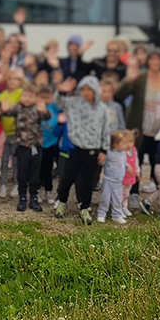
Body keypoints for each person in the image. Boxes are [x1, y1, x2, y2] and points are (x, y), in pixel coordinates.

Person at [117, 50, 160, 210]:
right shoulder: (140, 79)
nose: (155, 62)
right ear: (147, 61)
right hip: (140, 131)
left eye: (158, 59)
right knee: (134, 162)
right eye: (152, 58)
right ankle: (133, 193)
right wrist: (128, 80)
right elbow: (119, 96)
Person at [53, 76, 110, 225]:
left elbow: (105, 129)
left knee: (87, 181)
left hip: (92, 150)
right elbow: (59, 102)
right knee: (67, 178)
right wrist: (60, 90)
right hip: (75, 148)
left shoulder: (102, 108)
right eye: (83, 89)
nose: (86, 92)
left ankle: (85, 206)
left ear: (95, 91)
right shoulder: (74, 103)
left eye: (89, 89)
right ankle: (61, 202)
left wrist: (104, 149)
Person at [0, 82, 52, 212]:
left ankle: (34, 197)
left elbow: (47, 116)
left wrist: (44, 110)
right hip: (22, 146)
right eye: (25, 95)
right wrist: (4, 109)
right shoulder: (18, 107)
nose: (27, 98)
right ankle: (22, 197)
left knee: (35, 174)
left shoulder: (37, 109)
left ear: (35, 98)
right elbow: (7, 113)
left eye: (31, 96)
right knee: (22, 173)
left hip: (36, 146)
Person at [0, 70, 25, 199]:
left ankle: (16, 185)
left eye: (15, 79)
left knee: (16, 160)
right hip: (4, 132)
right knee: (4, 160)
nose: (12, 81)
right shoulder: (2, 95)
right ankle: (3, 184)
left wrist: (23, 78)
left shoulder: (21, 93)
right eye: (10, 79)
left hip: (17, 132)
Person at [97, 130, 137, 224]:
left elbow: (123, 162)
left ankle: (116, 215)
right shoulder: (109, 153)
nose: (126, 146)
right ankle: (101, 214)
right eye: (124, 143)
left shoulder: (123, 153)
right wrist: (101, 161)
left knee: (118, 199)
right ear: (115, 144)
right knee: (105, 198)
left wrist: (128, 167)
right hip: (108, 180)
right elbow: (102, 162)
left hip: (119, 181)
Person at [38, 85, 62, 203]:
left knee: (48, 167)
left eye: (47, 97)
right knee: (38, 168)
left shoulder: (55, 107)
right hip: (39, 142)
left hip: (52, 143)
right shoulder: (36, 108)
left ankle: (48, 190)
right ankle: (37, 190)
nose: (45, 100)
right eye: (42, 97)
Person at [119, 130, 140, 217]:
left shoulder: (134, 151)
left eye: (131, 142)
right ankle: (118, 208)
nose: (129, 145)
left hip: (131, 176)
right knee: (120, 192)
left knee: (126, 192)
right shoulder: (121, 152)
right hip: (122, 176)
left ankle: (124, 206)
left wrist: (138, 172)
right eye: (126, 142)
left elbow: (136, 162)